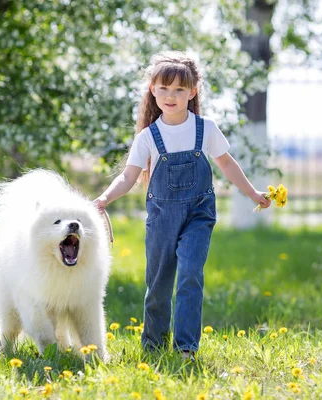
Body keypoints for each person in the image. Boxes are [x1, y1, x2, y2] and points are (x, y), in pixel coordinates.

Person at [94, 51, 271, 360]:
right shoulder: (148, 137)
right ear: (152, 89)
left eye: (179, 89)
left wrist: (253, 192)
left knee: (190, 273)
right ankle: (153, 346)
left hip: (198, 215)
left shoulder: (206, 129)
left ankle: (186, 347)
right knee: (159, 285)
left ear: (192, 91)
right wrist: (105, 197)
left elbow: (227, 165)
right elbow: (128, 176)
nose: (171, 96)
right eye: (164, 88)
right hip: (161, 218)